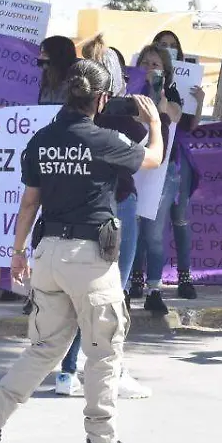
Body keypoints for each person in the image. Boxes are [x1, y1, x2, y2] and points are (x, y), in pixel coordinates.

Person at [0, 59, 165, 443]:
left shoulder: (41, 140)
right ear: (101, 99)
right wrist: (155, 123)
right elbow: (153, 159)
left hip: (47, 252)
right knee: (104, 350)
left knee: (45, 347)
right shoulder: (103, 139)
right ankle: (101, 441)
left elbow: (29, 202)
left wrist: (17, 253)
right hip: (88, 257)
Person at [56, 34, 151, 399]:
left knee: (84, 300)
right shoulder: (123, 123)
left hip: (79, 217)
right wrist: (154, 121)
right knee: (112, 295)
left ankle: (68, 370)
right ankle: (112, 371)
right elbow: (149, 155)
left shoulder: (68, 122)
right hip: (116, 209)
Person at [129, 44, 182, 315]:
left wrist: (158, 90)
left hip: (161, 174)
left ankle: (154, 289)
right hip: (133, 168)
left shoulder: (171, 93)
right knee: (130, 231)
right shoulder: (130, 93)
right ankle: (127, 285)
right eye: (145, 63)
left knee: (153, 235)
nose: (150, 68)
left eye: (156, 64)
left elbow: (171, 115)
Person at [152, 30, 204, 297]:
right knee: (148, 221)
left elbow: (190, 126)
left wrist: (200, 101)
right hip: (150, 153)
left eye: (173, 46)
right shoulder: (146, 78)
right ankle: (144, 279)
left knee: (179, 218)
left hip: (177, 156)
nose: (168, 49)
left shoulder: (184, 83)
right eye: (162, 45)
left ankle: (185, 277)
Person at [37, 35, 78, 105]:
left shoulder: (75, 87)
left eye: (45, 55)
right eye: (41, 54)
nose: (40, 58)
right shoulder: (46, 82)